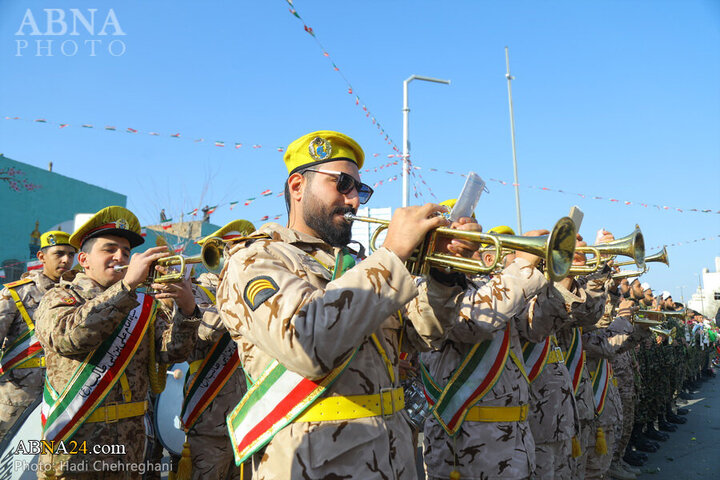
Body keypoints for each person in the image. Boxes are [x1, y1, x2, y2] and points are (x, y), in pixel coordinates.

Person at [217, 130, 473, 479]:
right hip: (318, 464)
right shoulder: (256, 259)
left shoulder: (360, 265)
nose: (354, 200)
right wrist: (392, 255)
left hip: (394, 458)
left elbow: (422, 334)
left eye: (359, 190)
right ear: (297, 187)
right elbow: (305, 342)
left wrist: (443, 274)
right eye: (342, 184)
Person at [34, 206, 202, 479]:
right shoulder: (61, 297)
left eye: (126, 251)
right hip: (77, 440)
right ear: (84, 259)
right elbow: (69, 338)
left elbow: (173, 352)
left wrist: (186, 310)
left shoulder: (141, 304)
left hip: (131, 444)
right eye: (109, 249)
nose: (120, 257)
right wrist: (125, 288)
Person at [178, 219, 256, 480]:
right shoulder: (198, 289)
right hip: (210, 410)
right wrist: (240, 292)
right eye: (234, 249)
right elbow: (204, 330)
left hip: (249, 412)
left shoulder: (254, 284)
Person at [0, 230, 76, 440]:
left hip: (61, 396)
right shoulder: (16, 293)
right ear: (41, 256)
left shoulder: (76, 295)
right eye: (59, 253)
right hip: (17, 397)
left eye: (71, 254)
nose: (66, 260)